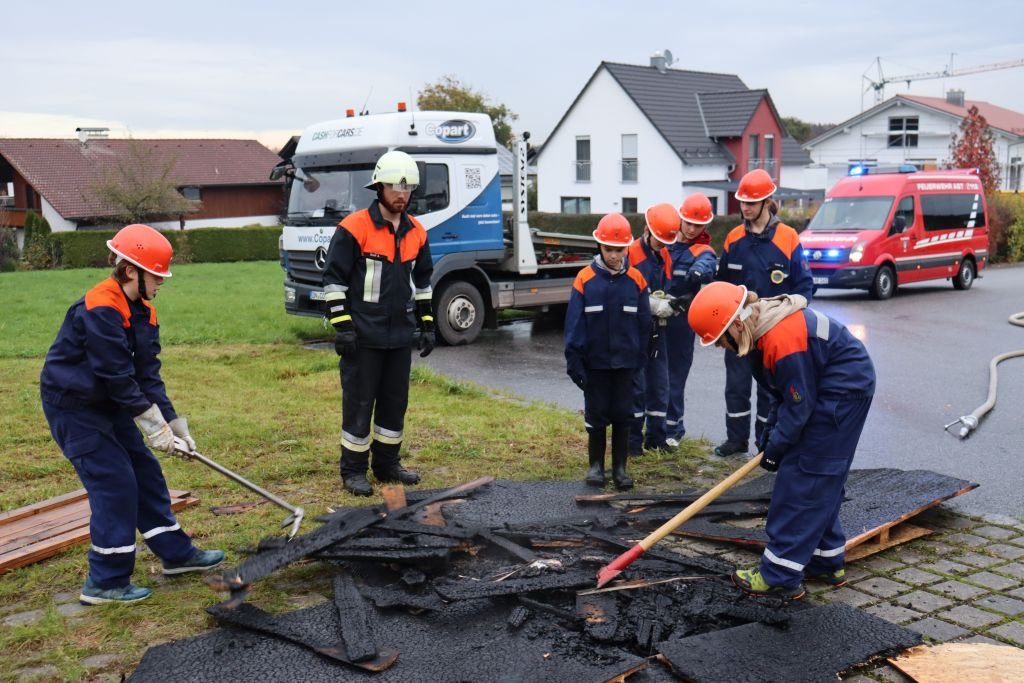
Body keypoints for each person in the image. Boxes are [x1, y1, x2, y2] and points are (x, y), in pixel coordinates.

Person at [39, 224, 224, 605]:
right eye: (156, 275)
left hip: (110, 403)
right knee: (115, 484)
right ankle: (105, 581)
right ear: (130, 271)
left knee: (145, 471)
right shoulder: (100, 307)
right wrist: (153, 428)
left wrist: (175, 426)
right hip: (75, 408)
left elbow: (146, 377)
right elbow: (115, 375)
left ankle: (176, 554)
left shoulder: (144, 312)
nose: (161, 283)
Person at [688, 281, 875, 600]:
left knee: (803, 481)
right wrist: (768, 437)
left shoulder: (782, 338)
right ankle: (825, 561)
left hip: (841, 394)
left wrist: (777, 449)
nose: (722, 348)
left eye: (721, 340)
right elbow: (780, 394)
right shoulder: (761, 332)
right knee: (818, 479)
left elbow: (799, 405)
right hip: (823, 390)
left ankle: (778, 576)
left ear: (735, 323)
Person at [322, 150, 434, 497]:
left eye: (408, 188)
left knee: (394, 402)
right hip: (363, 337)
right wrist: (343, 326)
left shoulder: (417, 231)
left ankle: (387, 465)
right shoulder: (354, 228)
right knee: (359, 403)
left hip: (399, 336)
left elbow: (424, 283)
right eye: (395, 187)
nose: (402, 194)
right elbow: (333, 281)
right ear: (379, 187)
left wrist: (427, 324)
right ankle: (353, 471)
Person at [714, 169, 813, 457]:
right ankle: (736, 441)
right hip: (738, 330)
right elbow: (720, 286)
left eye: (750, 203)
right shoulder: (733, 239)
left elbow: (804, 288)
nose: (744, 208)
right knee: (736, 388)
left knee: (771, 392)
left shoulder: (788, 237)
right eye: (742, 202)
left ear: (767, 201)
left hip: (774, 331)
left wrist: (795, 326)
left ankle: (764, 444)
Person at [564, 213, 651, 490]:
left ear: (627, 247)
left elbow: (644, 324)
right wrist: (574, 363)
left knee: (623, 415)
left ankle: (621, 469)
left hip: (626, 365)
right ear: (599, 246)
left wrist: (641, 360)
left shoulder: (637, 280)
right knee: (597, 415)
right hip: (595, 366)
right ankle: (596, 467)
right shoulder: (585, 279)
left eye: (619, 249)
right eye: (609, 249)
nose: (614, 255)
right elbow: (574, 326)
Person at [664, 194, 718, 447]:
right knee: (650, 375)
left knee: (675, 375)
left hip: (680, 323)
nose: (691, 228)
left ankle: (673, 430)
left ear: (705, 226)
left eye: (697, 225)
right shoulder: (664, 243)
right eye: (687, 222)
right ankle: (651, 426)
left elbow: (707, 264)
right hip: (655, 317)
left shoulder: (702, 250)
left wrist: (699, 273)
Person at [626, 203, 680, 454]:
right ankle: (632, 442)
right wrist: (652, 305)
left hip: (658, 331)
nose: (661, 245)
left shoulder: (665, 254)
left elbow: (667, 285)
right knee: (636, 387)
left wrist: (670, 302)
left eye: (665, 242)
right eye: (658, 240)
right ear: (647, 230)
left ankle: (656, 438)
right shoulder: (630, 253)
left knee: (659, 384)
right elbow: (625, 293)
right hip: (634, 331)